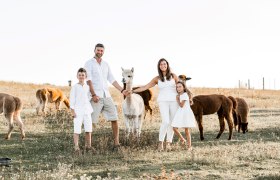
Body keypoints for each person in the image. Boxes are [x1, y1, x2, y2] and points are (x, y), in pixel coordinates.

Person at [84, 43, 128, 151]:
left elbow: (111, 79)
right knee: (91, 121)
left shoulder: (106, 64)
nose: (100, 52)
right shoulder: (89, 63)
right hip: (96, 96)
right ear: (94, 50)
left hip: (106, 95)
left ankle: (116, 144)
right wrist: (93, 94)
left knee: (115, 118)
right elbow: (88, 80)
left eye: (101, 51)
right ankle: (88, 146)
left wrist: (122, 90)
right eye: (98, 50)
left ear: (104, 52)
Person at [131, 58, 179, 151]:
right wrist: (133, 91)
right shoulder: (157, 79)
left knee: (172, 123)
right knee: (165, 121)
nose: (163, 66)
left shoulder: (173, 76)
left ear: (167, 65)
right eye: (161, 64)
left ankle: (168, 143)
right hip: (163, 101)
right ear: (159, 67)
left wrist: (185, 96)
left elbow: (180, 87)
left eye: (164, 64)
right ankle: (160, 143)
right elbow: (145, 87)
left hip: (174, 101)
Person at [70, 68, 94, 154]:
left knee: (88, 129)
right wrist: (73, 111)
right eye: (79, 75)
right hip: (78, 111)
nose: (81, 76)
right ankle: (76, 147)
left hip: (87, 111)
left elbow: (89, 97)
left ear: (85, 76)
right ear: (77, 76)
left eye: (83, 75)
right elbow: (72, 100)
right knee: (77, 130)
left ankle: (88, 146)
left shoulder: (87, 87)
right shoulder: (75, 87)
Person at [171, 81, 196, 151]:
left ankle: (189, 146)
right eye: (177, 87)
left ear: (184, 87)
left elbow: (182, 105)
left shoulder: (185, 95)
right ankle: (182, 139)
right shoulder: (180, 94)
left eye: (180, 87)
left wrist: (178, 100)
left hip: (185, 113)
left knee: (186, 130)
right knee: (174, 128)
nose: (178, 88)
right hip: (180, 112)